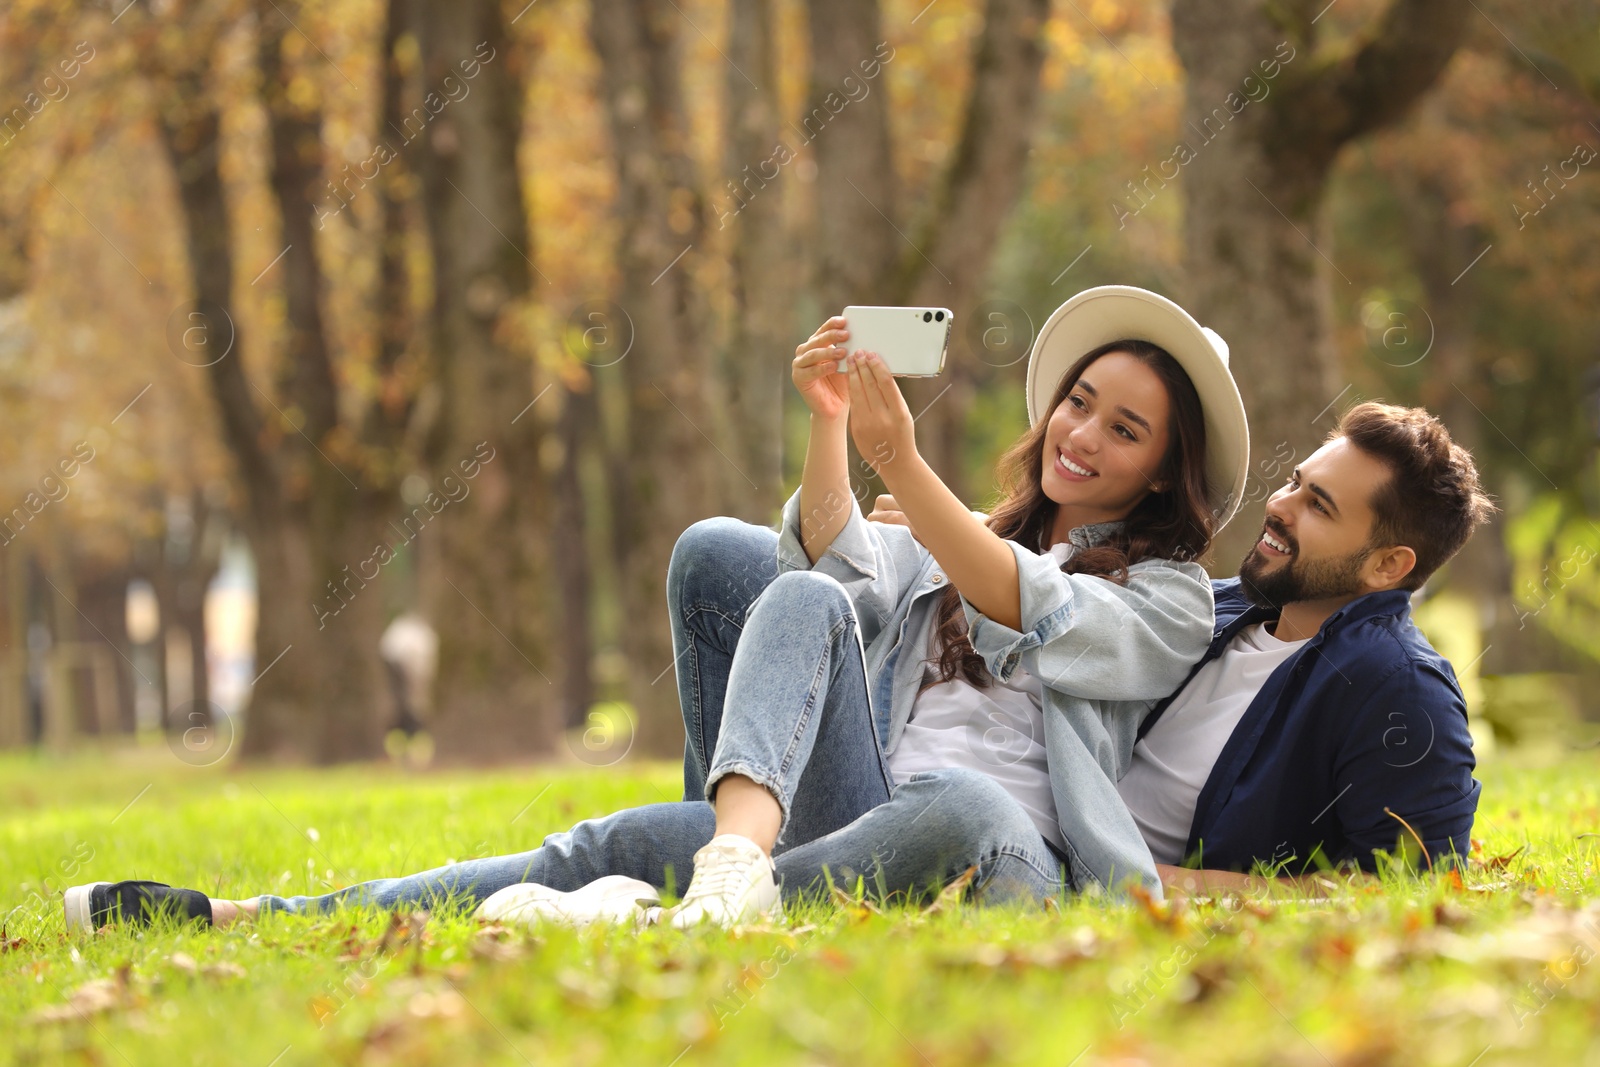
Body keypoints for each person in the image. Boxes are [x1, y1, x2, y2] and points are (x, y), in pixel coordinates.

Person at [62, 285, 1252, 933]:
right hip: (857, 813)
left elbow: (1028, 604)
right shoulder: (960, 537)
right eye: (1080, 404)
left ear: (1163, 472)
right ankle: (247, 911)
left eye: (1124, 428)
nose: (1083, 434)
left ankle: (697, 886)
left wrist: (907, 467)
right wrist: (837, 424)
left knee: (969, 796)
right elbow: (833, 567)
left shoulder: (1168, 598)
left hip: (999, 853)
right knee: (732, 574)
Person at [872, 400, 1494, 893]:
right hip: (1035, 823)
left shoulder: (1399, 687)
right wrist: (964, 533)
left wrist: (1172, 886)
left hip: (1059, 873)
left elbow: (1413, 887)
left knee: (961, 806)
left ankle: (777, 889)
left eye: (1319, 508)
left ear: (1388, 565)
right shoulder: (1224, 609)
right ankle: (773, 857)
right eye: (1294, 483)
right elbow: (1073, 600)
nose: (1278, 507)